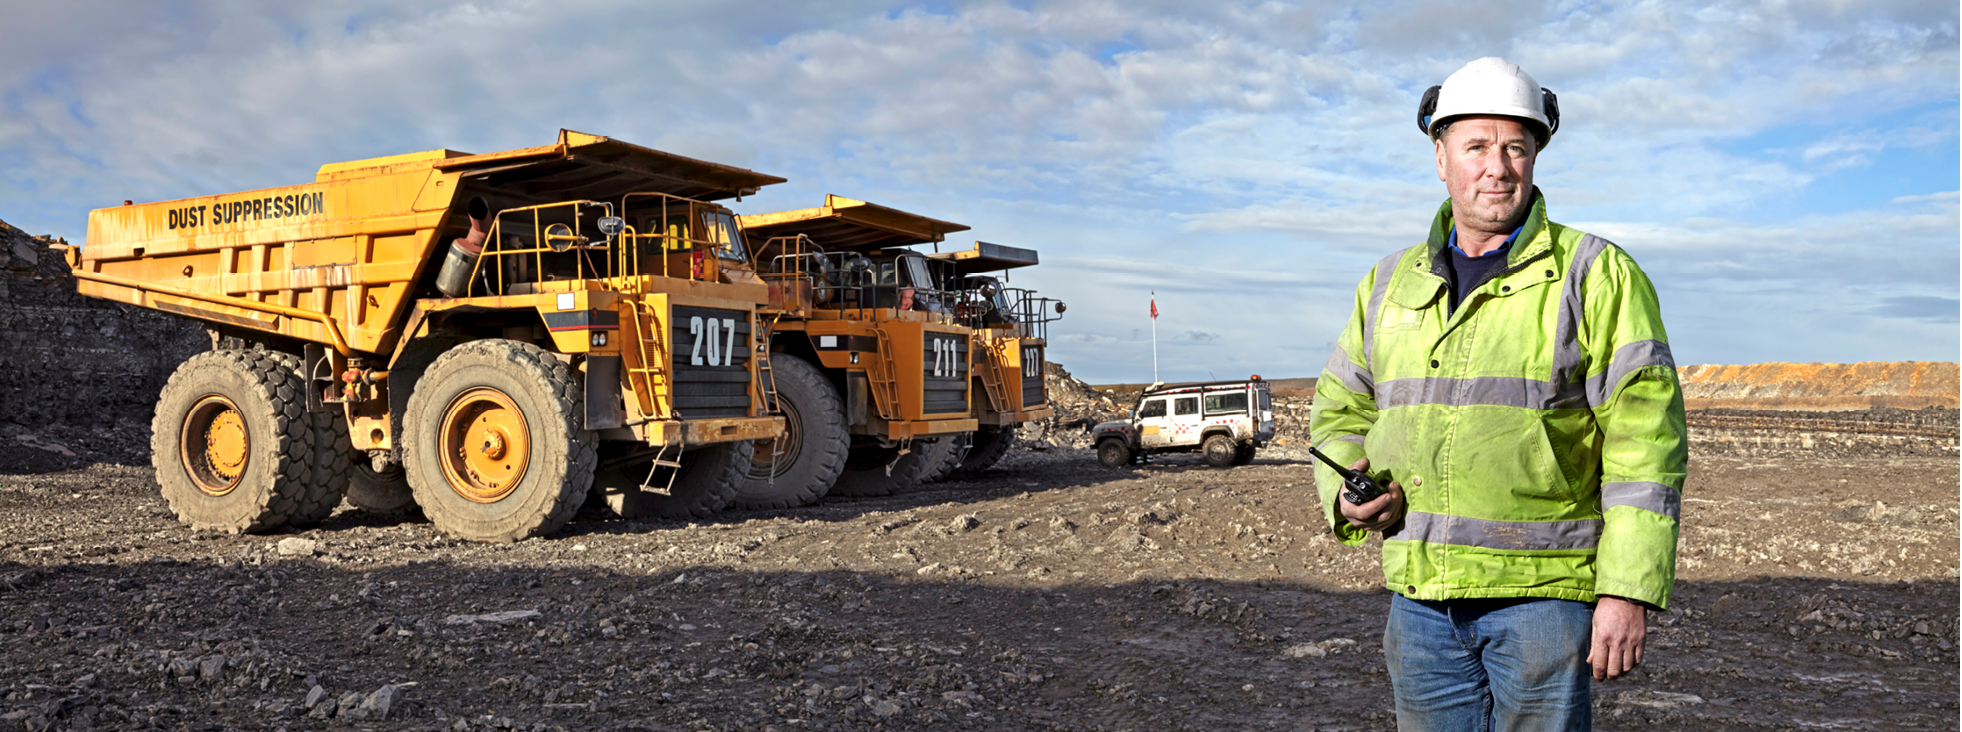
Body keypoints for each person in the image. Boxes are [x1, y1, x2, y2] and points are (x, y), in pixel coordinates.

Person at [1308, 57, 1688, 730]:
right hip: (1421, 604)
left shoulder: (1595, 276)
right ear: (1440, 157)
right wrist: (1345, 494)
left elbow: (1645, 451)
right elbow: (1341, 409)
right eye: (1476, 146)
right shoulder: (1388, 283)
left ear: (1536, 155)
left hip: (1542, 606)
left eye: (1516, 146)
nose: (1497, 166)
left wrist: (1627, 590)